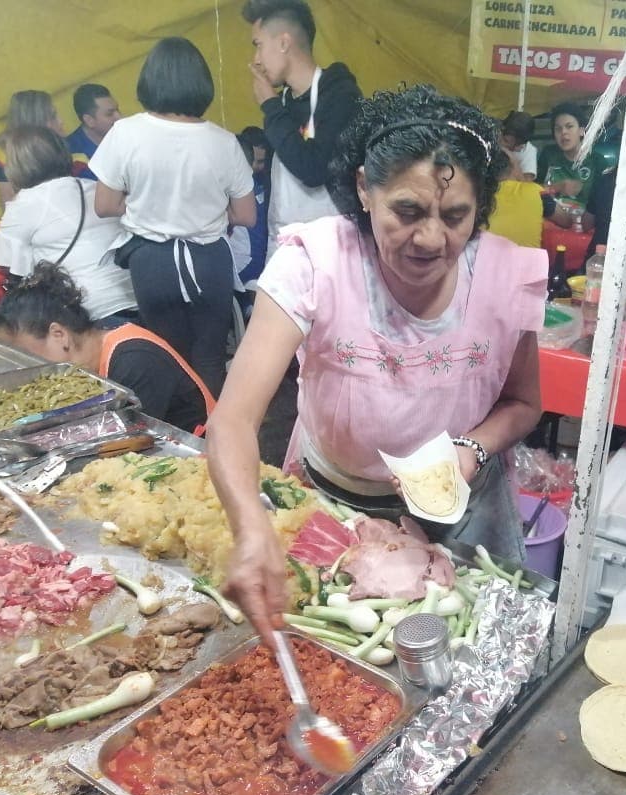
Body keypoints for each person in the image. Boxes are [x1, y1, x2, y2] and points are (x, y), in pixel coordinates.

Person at [207, 85, 548, 641]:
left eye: (456, 215)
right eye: (407, 212)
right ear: (365, 188)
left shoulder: (507, 275)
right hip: (331, 505)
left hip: (464, 515)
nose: (432, 238)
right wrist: (251, 529)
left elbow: (523, 403)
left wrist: (471, 449)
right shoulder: (314, 263)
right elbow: (233, 420)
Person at [90, 37, 256, 398]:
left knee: (168, 354)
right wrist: (206, 208)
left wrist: (143, 206)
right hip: (209, 260)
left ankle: (181, 438)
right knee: (210, 357)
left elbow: (104, 205)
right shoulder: (224, 142)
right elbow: (246, 215)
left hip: (152, 263)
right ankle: (213, 434)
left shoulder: (125, 133)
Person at [0, 262, 213, 433]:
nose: (24, 368)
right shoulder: (92, 353)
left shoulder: (134, 359)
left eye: (24, 354)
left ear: (59, 334)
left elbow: (132, 442)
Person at [242, 0, 362, 256]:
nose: (256, 60)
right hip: (283, 248)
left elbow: (314, 168)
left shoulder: (340, 95)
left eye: (258, 45)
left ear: (284, 43)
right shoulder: (284, 102)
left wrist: (270, 106)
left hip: (333, 251)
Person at [0, 126, 137, 324]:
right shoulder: (93, 187)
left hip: (86, 312)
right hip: (136, 300)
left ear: (17, 166)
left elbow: (2, 264)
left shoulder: (25, 203)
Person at [0, 90, 65, 221]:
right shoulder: (4, 153)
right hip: (4, 227)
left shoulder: (55, 149)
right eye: (53, 117)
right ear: (35, 122)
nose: (61, 121)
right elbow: (10, 209)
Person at [537, 102, 605, 208]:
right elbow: (533, 190)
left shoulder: (597, 161)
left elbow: (602, 203)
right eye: (558, 129)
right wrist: (557, 187)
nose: (563, 132)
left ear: (582, 131)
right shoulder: (548, 154)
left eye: (569, 126)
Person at [236, 125, 271, 284]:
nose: (254, 167)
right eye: (251, 160)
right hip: (242, 269)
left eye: (261, 162)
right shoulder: (232, 186)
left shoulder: (270, 183)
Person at [67, 83, 121, 181]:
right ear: (89, 120)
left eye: (118, 110)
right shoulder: (73, 156)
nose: (119, 117)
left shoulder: (125, 135)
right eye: (110, 114)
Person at [500, 110, 538, 182]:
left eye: (507, 142)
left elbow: (526, 187)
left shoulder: (529, 151)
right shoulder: (492, 139)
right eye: (505, 140)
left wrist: (514, 162)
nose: (503, 144)